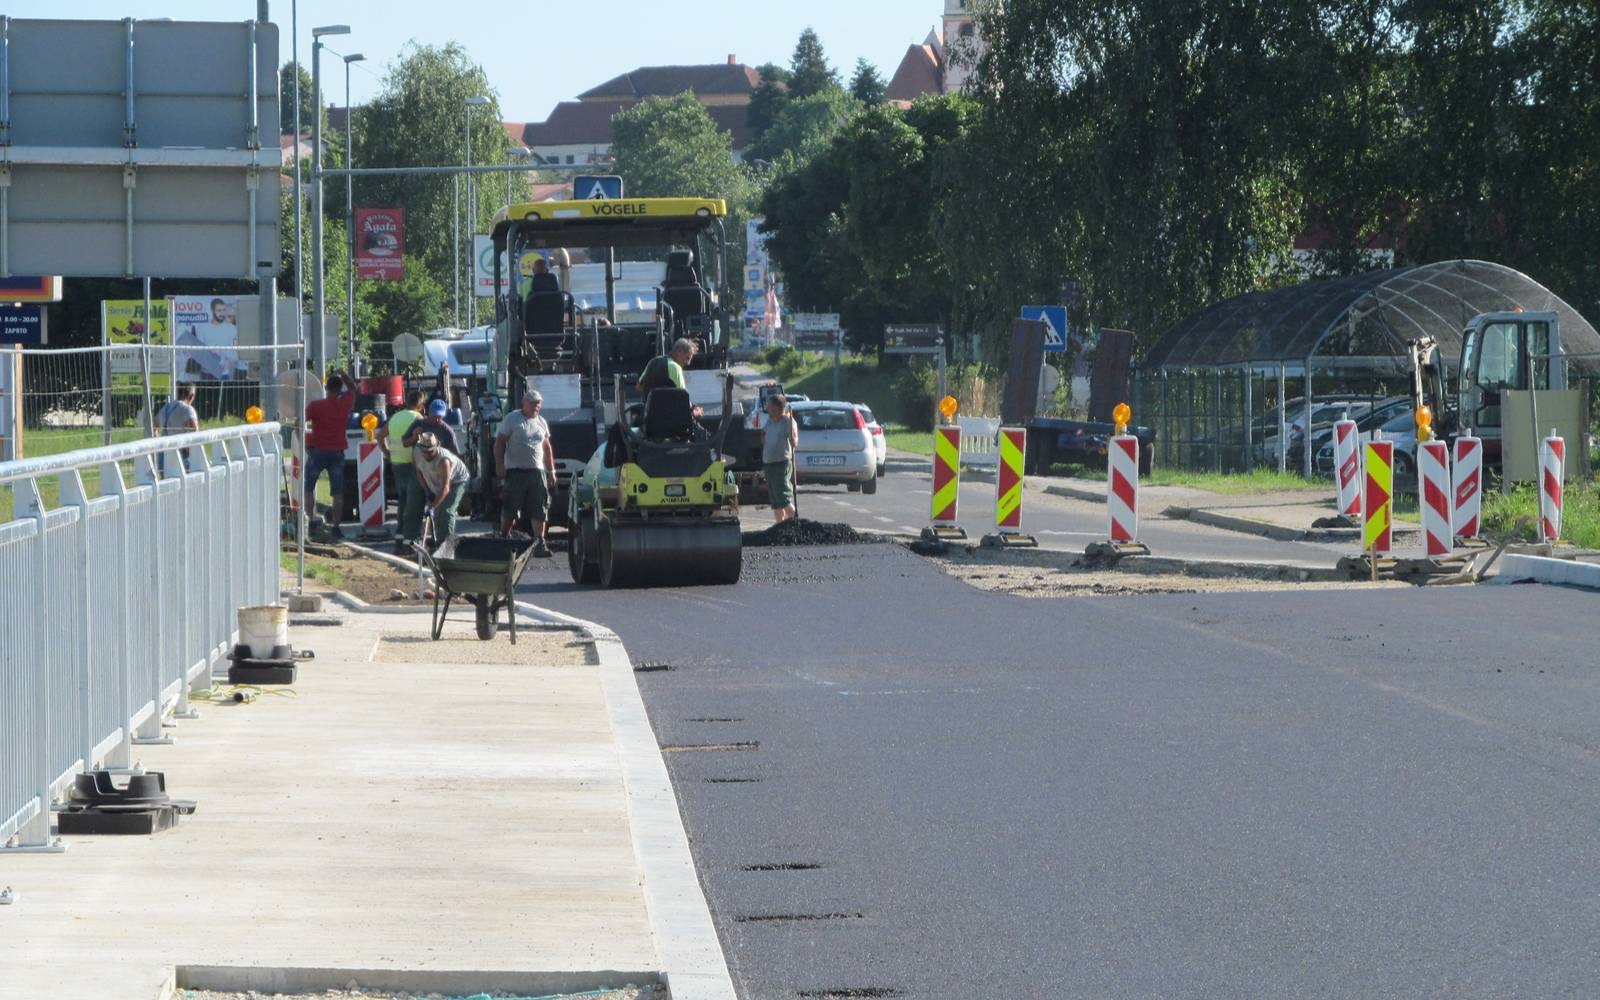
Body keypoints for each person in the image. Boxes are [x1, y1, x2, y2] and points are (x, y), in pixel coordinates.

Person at [495, 389, 557, 557]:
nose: (536, 406)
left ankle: (540, 542)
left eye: (538, 403)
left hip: (537, 471)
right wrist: (500, 465)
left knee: (540, 507)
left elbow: (547, 447)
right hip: (515, 471)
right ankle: (504, 536)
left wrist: (552, 471)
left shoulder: (541, 422)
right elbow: (500, 442)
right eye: (532, 403)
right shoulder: (512, 419)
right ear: (524, 403)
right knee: (510, 506)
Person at [303, 370, 356, 530]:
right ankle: (336, 526)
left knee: (309, 487)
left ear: (326, 388)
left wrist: (306, 441)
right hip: (337, 452)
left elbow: (300, 422)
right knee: (337, 492)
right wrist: (344, 374)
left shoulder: (315, 406)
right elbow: (353, 388)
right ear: (340, 390)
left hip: (317, 450)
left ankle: (311, 520)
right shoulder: (344, 404)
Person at [379, 388, 425, 550]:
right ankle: (410, 539)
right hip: (413, 464)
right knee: (414, 502)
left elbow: (380, 436)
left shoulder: (395, 417)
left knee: (403, 500)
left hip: (397, 464)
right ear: (420, 405)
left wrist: (387, 453)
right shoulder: (418, 418)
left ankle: (399, 536)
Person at [412, 432, 468, 543]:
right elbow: (419, 472)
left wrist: (432, 507)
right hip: (436, 479)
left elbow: (445, 488)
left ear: (436, 447)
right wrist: (427, 491)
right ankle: (439, 541)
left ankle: (447, 545)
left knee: (447, 512)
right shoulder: (417, 453)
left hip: (457, 480)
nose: (427, 455)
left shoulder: (443, 460)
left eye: (430, 452)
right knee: (437, 514)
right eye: (425, 452)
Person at [762, 393, 798, 523]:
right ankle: (780, 526)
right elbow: (764, 436)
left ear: (777, 407)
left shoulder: (788, 422)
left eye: (770, 406)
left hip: (781, 463)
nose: (768, 408)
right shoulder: (769, 422)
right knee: (775, 500)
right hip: (769, 463)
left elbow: (794, 444)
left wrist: (792, 435)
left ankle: (795, 522)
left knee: (783, 497)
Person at [155, 382, 200, 476]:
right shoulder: (188, 410)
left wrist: (158, 439)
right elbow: (195, 431)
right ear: (191, 396)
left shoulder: (166, 407)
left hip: (164, 455)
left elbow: (153, 425)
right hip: (182, 455)